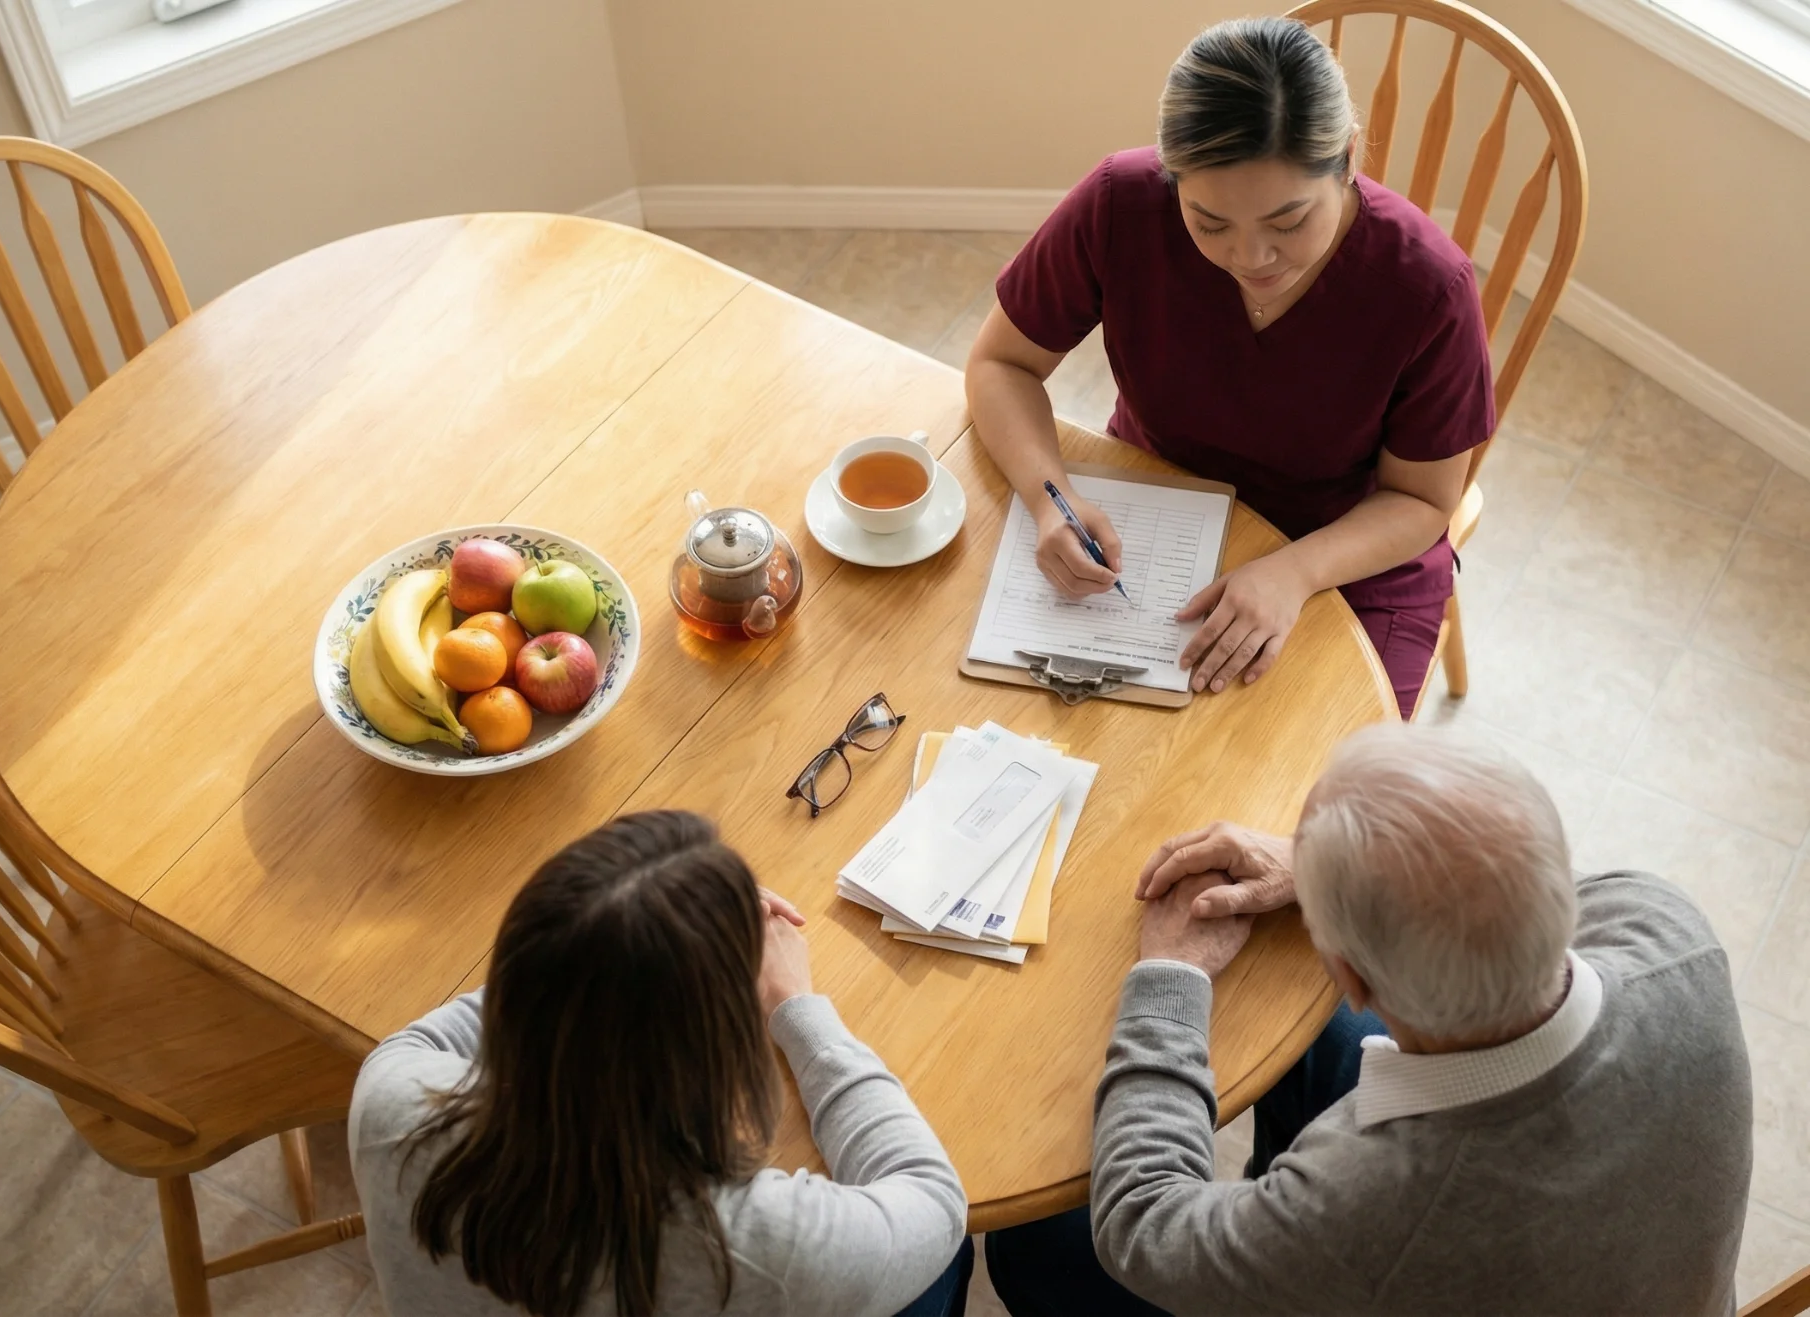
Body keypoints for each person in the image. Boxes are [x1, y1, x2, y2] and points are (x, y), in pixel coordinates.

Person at [985, 723, 1753, 1315]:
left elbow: (1143, 1220)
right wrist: (1317, 866)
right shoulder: (1671, 933)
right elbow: (1492, 881)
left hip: (1413, 1251)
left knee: (1040, 1241)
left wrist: (1171, 975)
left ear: (1348, 973)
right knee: (1311, 1042)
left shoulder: (1373, 1212)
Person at [966, 17, 1493, 718]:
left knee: (1305, 803)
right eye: (1210, 224)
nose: (1250, 259)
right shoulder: (1122, 203)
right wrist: (1048, 500)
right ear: (1170, 178)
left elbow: (1425, 501)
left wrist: (1293, 572)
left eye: (1287, 222)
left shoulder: (1428, 287)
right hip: (1159, 505)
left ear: (1347, 160)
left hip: (1344, 556)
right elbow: (1003, 362)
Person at [349, 810, 972, 1317]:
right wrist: (796, 1007)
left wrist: (627, 930)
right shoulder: (762, 1249)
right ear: (707, 1054)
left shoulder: (389, 1106)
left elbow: (473, 1023)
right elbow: (935, 1201)